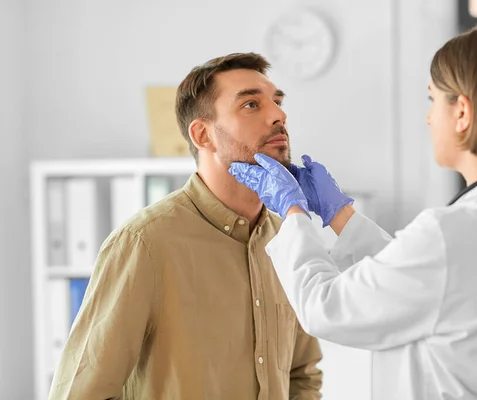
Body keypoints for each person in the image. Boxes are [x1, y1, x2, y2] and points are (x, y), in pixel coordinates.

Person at [229, 20, 477, 400]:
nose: (429, 118)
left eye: (433, 100)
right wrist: (339, 215)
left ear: (462, 112)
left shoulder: (452, 234)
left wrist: (293, 212)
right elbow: (429, 283)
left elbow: (327, 307)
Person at [49, 53, 323, 400]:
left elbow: (303, 376)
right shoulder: (145, 244)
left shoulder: (288, 240)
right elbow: (80, 393)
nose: (278, 115)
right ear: (203, 135)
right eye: (252, 104)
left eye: (278, 101)